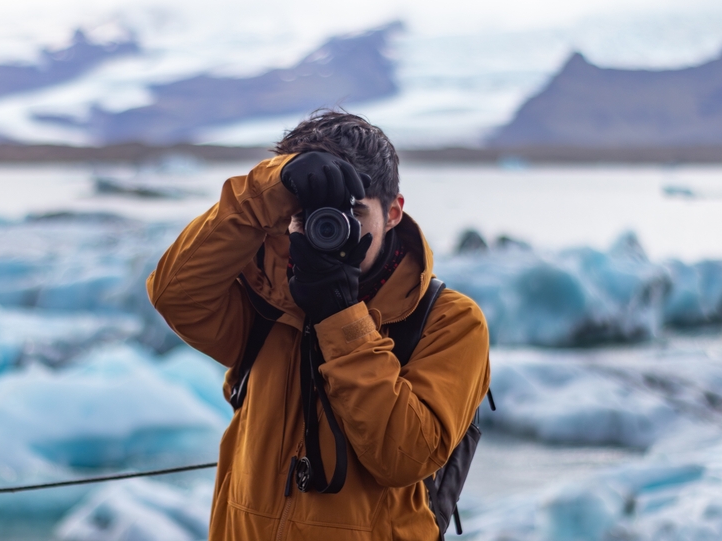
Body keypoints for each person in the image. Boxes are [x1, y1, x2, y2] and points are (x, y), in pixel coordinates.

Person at [147, 110, 490, 541]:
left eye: (354, 215)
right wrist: (271, 185)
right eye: (307, 217)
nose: (329, 233)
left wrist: (340, 318)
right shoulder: (270, 304)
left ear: (394, 212)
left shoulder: (448, 321)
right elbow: (175, 294)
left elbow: (403, 457)